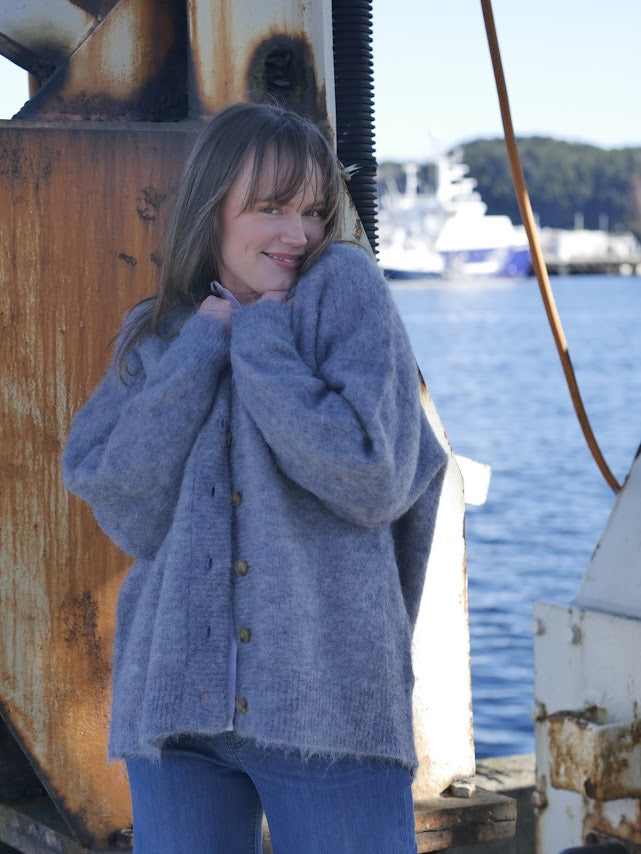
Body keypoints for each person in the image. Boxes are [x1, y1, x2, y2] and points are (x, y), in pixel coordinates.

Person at [62, 102, 447, 854]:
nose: (297, 233)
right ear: (212, 209)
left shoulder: (343, 289)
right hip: (175, 709)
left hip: (330, 706)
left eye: (312, 210)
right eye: (271, 208)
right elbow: (126, 506)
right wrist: (203, 343)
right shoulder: (161, 330)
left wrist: (261, 338)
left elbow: (371, 477)